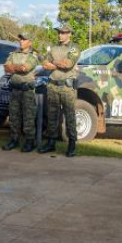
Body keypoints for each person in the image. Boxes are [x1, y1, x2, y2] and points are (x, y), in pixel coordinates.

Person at [39, 23, 81, 157]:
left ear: (69, 34)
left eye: (63, 32)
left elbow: (67, 64)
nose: (60, 35)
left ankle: (72, 144)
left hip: (67, 87)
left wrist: (55, 63)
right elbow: (45, 64)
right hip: (53, 85)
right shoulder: (54, 47)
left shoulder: (74, 48)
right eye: (59, 32)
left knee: (69, 116)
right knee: (52, 116)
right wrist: (58, 63)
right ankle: (51, 143)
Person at [2, 32, 40, 152]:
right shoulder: (14, 53)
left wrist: (13, 67)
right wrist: (17, 67)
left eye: (24, 39)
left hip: (27, 90)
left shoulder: (33, 55)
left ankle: (30, 141)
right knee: (13, 116)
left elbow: (26, 68)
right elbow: (6, 67)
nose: (21, 41)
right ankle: (14, 139)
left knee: (28, 117)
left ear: (30, 42)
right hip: (15, 89)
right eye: (21, 39)